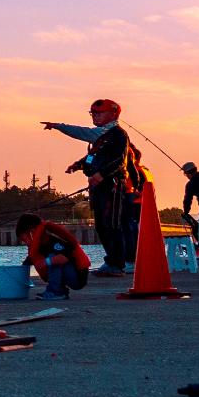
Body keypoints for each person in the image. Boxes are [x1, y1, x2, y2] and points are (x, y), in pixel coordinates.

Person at [42, 99, 136, 274]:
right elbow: (92, 156)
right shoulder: (99, 137)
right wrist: (78, 165)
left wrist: (102, 174)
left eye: (99, 113)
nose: (95, 116)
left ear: (113, 114)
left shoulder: (118, 134)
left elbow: (119, 161)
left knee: (112, 224)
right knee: (101, 225)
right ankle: (112, 261)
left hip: (113, 186)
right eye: (93, 113)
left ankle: (117, 263)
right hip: (98, 187)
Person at [15, 213, 90, 299]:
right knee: (50, 260)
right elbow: (25, 265)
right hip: (69, 274)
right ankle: (61, 290)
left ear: (32, 231)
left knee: (53, 257)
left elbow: (63, 258)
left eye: (26, 238)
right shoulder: (38, 247)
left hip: (77, 277)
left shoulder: (55, 242)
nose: (26, 242)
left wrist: (45, 262)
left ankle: (55, 292)